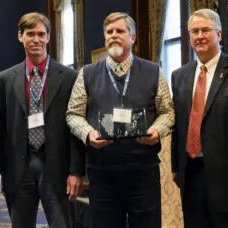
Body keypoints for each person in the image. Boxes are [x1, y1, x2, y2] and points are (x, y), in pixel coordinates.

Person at [66, 12, 175, 228]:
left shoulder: (154, 72)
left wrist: (157, 130)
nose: (113, 35)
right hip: (102, 172)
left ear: (132, 37)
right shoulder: (87, 74)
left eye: (120, 31)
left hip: (143, 171)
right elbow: (73, 114)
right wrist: (88, 133)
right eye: (109, 32)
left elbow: (168, 112)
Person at [171, 8, 228, 228]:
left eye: (205, 30)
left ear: (219, 34)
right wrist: (175, 166)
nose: (199, 35)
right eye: (194, 31)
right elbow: (178, 125)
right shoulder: (179, 76)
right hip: (191, 175)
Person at [0, 12, 84, 228]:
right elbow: (2, 127)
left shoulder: (70, 77)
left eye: (41, 34)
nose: (36, 39)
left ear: (48, 37)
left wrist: (75, 170)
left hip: (57, 164)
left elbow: (75, 126)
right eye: (30, 34)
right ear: (20, 36)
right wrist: (1, 173)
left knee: (62, 223)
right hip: (19, 166)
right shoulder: (6, 79)